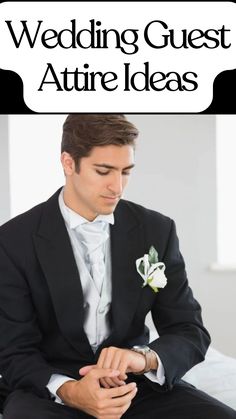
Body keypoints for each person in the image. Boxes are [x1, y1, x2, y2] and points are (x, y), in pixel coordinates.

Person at [0, 114, 235, 419]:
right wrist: (71, 391)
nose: (117, 186)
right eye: (104, 171)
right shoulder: (13, 240)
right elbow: (14, 351)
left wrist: (143, 359)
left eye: (126, 172)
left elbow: (188, 330)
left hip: (133, 387)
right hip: (52, 392)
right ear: (69, 163)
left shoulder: (156, 230)